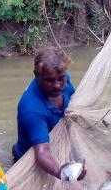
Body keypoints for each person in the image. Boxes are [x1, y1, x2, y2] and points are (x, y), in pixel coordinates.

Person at [12, 47, 87, 180]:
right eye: (49, 80)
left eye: (61, 79)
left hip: (56, 143)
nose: (57, 85)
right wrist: (66, 174)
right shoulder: (32, 109)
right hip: (30, 161)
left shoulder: (63, 76)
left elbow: (74, 96)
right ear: (36, 75)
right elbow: (42, 153)